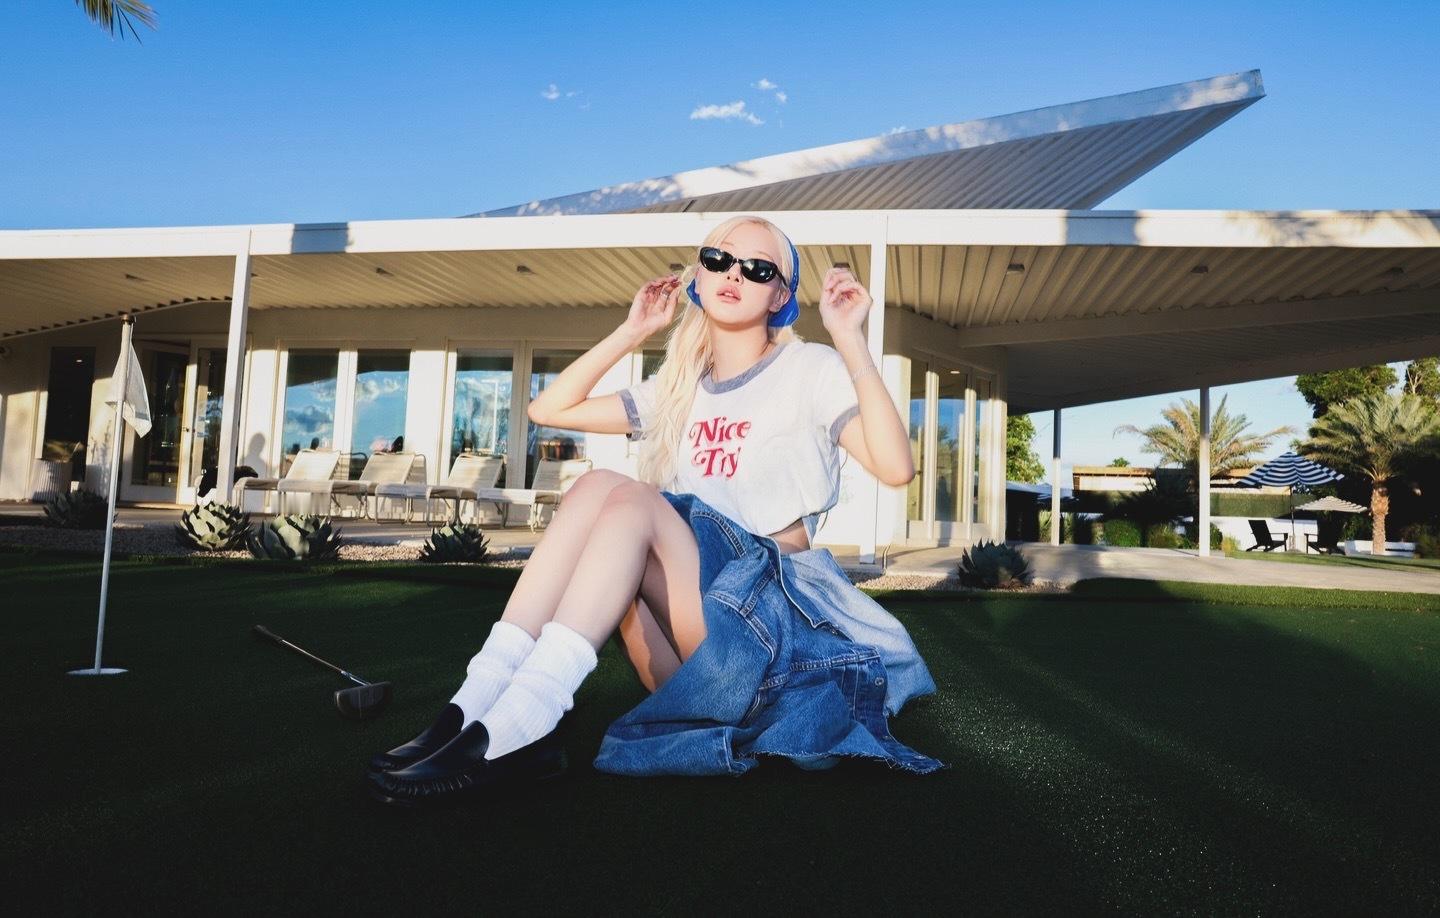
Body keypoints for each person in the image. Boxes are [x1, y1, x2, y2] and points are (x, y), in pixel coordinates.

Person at [367, 215, 944, 806]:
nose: (734, 274)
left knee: (632, 499)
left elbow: (896, 467)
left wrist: (850, 339)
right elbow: (548, 410)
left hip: (766, 637)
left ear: (781, 296)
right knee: (596, 487)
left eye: (757, 268)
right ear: (698, 276)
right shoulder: (677, 388)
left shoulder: (810, 368)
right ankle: (474, 705)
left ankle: (525, 720)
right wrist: (632, 330)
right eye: (718, 259)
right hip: (689, 663)